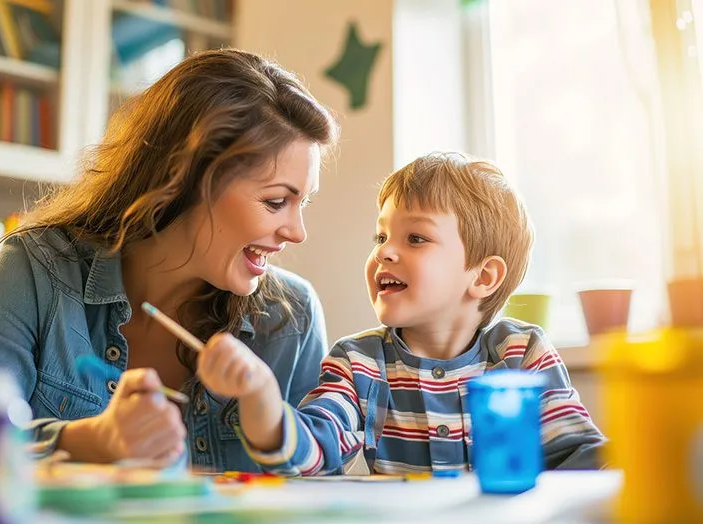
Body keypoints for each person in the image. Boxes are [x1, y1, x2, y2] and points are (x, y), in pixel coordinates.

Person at [0, 49, 339, 473]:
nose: (296, 232)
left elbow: (322, 495)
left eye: (304, 203)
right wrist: (90, 441)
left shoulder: (290, 317)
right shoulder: (39, 269)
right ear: (187, 179)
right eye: (276, 201)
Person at [196, 152, 606, 475]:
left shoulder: (522, 354)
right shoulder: (358, 363)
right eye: (381, 235)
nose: (385, 251)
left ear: (483, 276)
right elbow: (316, 450)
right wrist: (261, 401)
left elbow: (581, 457)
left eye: (416, 238)